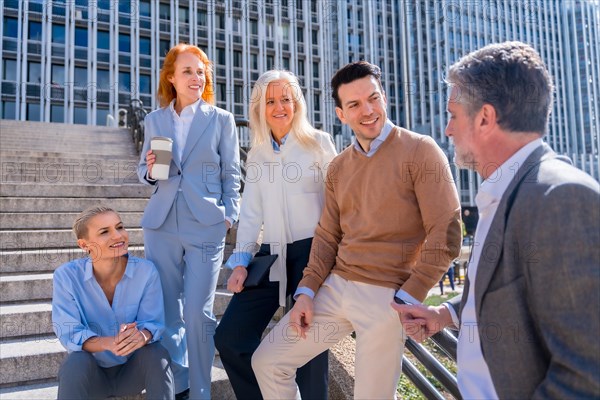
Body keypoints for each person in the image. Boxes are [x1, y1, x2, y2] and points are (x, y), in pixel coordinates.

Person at [392, 41, 600, 399]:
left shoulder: (561, 198)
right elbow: (515, 288)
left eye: (453, 115)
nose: (447, 130)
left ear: (485, 118)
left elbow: (587, 374)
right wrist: (446, 314)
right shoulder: (505, 193)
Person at [252, 61, 462, 399]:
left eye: (373, 98)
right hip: (335, 288)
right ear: (341, 114)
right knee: (267, 361)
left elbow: (447, 232)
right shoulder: (338, 167)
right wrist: (305, 292)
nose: (367, 110)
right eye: (354, 104)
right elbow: (327, 236)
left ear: (384, 99)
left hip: (386, 296)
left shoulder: (421, 150)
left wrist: (408, 296)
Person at [214, 70, 336, 400]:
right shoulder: (256, 155)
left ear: (297, 103)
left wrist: (331, 259)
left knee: (308, 349)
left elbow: (337, 204)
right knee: (229, 336)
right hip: (271, 255)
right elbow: (251, 215)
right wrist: (240, 263)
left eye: (286, 99)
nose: (279, 107)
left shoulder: (319, 143)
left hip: (314, 254)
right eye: (270, 101)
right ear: (259, 108)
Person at [137, 43, 241, 399]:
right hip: (161, 224)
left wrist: (229, 215)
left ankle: (200, 392)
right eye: (188, 71)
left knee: (197, 314)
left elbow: (232, 173)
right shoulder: (154, 119)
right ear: (171, 78)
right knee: (167, 313)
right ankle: (176, 386)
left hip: (206, 225)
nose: (196, 77)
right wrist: (151, 170)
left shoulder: (221, 119)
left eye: (201, 71)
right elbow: (144, 172)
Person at [52, 206, 173, 399]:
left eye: (120, 227)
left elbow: (153, 323)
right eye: (104, 232)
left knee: (157, 354)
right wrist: (110, 343)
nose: (118, 236)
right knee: (74, 363)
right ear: (84, 245)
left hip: (133, 372)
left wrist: (142, 336)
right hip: (92, 376)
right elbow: (70, 332)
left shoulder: (146, 271)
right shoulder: (66, 276)